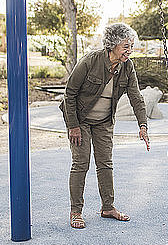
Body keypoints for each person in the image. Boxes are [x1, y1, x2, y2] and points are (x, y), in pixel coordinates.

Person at [60, 23, 150, 229]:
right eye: (126, 46)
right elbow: (70, 94)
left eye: (131, 46)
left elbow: (136, 96)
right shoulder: (91, 61)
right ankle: (76, 211)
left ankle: (108, 207)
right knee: (81, 163)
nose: (130, 50)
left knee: (105, 163)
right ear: (113, 45)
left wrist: (142, 125)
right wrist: (73, 125)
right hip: (80, 120)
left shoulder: (128, 66)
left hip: (104, 122)